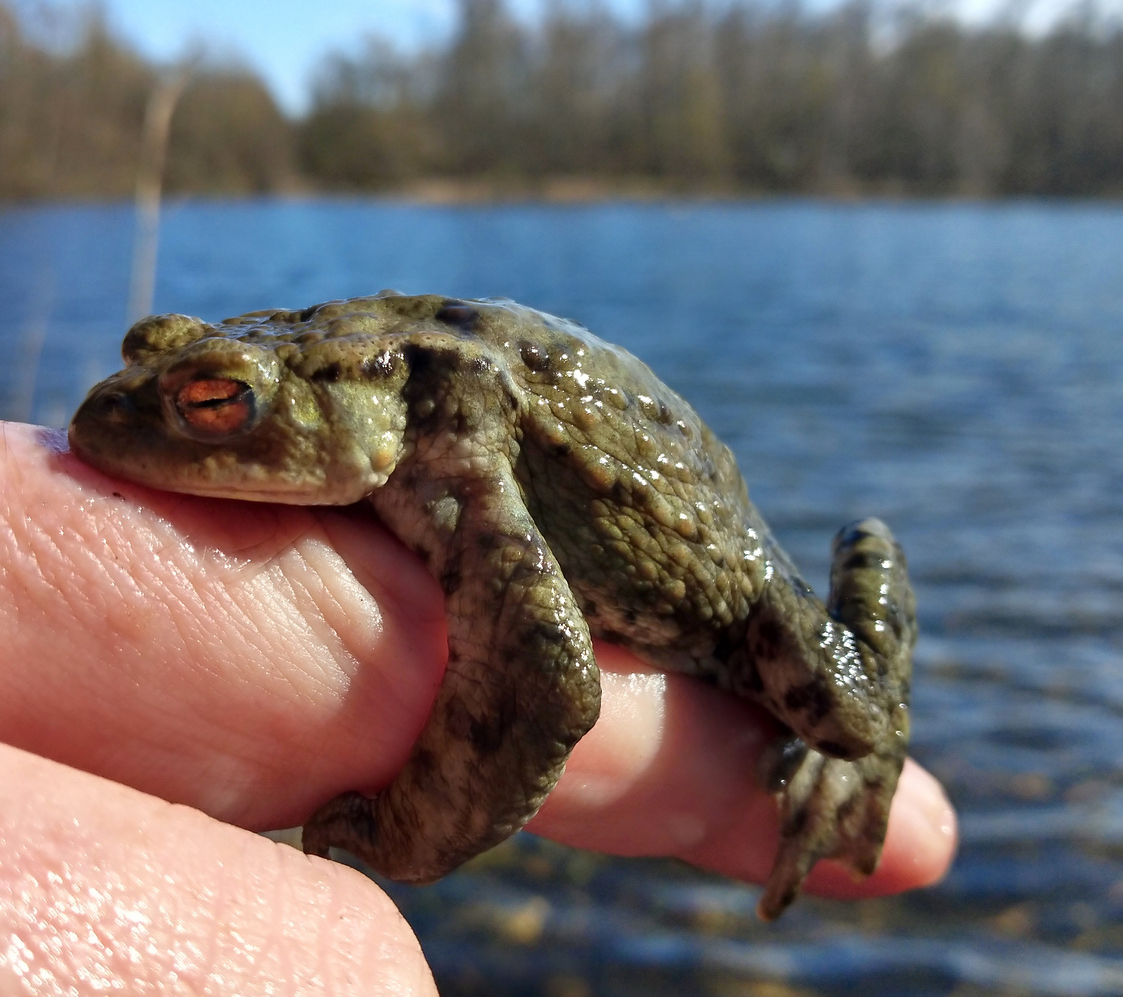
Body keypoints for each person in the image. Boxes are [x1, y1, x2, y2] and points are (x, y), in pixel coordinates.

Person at [0, 421, 956, 995]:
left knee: (850, 712)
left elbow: (545, 682)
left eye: (214, 407)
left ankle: (872, 737)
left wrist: (403, 834)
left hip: (724, 587)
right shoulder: (417, 455)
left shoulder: (459, 459)